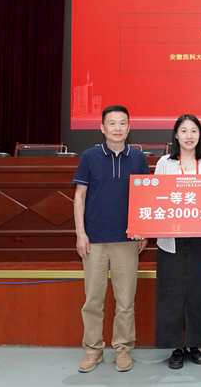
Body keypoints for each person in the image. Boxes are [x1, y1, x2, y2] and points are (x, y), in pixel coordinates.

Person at [73, 105, 150, 373]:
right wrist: (80, 233)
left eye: (122, 123)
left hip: (127, 240)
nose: (117, 128)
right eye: (112, 123)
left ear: (129, 128)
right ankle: (93, 349)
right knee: (93, 300)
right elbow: (79, 196)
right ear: (102, 128)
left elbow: (145, 198)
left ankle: (123, 348)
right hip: (94, 240)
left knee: (125, 300)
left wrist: (143, 230)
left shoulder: (138, 158)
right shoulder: (89, 156)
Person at [153, 114, 201, 369]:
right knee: (170, 293)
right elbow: (155, 197)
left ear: (200, 134)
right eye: (184, 131)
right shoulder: (165, 163)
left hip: (200, 238)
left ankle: (194, 343)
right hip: (171, 239)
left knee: (198, 292)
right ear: (176, 135)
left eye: (193, 131)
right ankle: (175, 346)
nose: (189, 136)